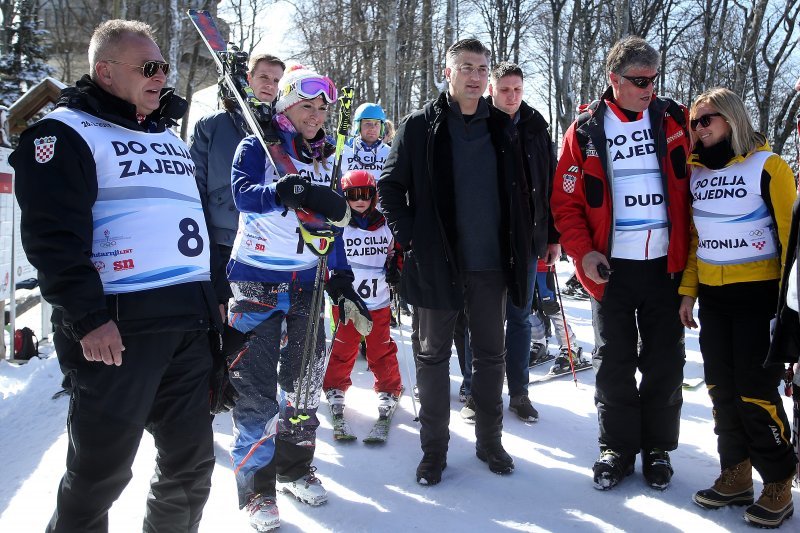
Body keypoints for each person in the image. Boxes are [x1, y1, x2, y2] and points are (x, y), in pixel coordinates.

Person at [10, 20, 227, 532]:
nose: (160, 77)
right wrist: (87, 318)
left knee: (191, 468)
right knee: (99, 477)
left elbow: (191, 221)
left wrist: (214, 297)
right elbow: (52, 239)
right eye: (147, 68)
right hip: (118, 334)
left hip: (188, 328)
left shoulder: (167, 136)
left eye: (163, 67)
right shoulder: (64, 132)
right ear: (105, 72)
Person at [226, 64, 372, 531]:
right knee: (255, 393)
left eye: (322, 107)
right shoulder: (257, 145)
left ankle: (294, 469)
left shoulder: (329, 158)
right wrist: (288, 190)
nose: (317, 114)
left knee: (306, 384)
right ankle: (256, 490)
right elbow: (243, 196)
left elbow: (332, 228)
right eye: (307, 106)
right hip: (257, 284)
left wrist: (342, 279)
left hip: (308, 284)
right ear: (286, 106)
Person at [379, 38, 531, 485]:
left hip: (490, 266)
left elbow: (524, 192)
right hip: (435, 264)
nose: (475, 75)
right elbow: (389, 187)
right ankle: (434, 452)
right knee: (431, 358)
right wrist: (412, 240)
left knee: (490, 356)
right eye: (466, 66)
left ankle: (490, 442)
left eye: (482, 68)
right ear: (448, 73)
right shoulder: (420, 126)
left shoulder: (504, 128)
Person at [551, 36, 691, 491]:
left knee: (664, 361)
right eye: (639, 80)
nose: (649, 87)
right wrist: (583, 252)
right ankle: (616, 447)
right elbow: (566, 204)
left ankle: (657, 448)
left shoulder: (673, 118)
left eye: (654, 79)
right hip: (611, 269)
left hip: (664, 266)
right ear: (614, 80)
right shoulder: (586, 130)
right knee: (614, 362)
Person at [679, 88, 797, 528]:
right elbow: (696, 240)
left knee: (754, 390)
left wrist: (790, 309)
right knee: (720, 389)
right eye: (694, 122)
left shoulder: (769, 166)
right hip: (714, 298)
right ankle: (735, 474)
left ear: (732, 118)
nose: (699, 128)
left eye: (708, 119)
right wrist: (688, 292)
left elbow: (793, 241)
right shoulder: (696, 174)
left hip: (760, 298)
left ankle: (779, 478)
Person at [460, 61, 559, 424]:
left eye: (517, 89)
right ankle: (475, 390)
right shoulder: (476, 123)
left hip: (527, 240)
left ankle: (519, 392)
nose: (512, 96)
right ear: (492, 91)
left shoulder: (536, 127)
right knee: (480, 318)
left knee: (519, 317)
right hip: (484, 240)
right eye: (505, 90)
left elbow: (549, 184)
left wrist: (552, 237)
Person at [190, 53, 285, 265]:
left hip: (268, 242)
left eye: (276, 80)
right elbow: (195, 185)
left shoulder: (284, 131)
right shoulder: (211, 125)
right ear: (248, 78)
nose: (270, 85)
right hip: (222, 241)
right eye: (264, 77)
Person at [323, 169, 403, 421]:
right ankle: (335, 386)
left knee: (380, 348)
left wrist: (396, 267)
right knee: (344, 346)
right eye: (353, 195)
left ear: (374, 196)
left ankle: (389, 388)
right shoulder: (338, 226)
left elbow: (398, 253)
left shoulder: (385, 224)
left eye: (366, 194)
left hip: (378, 300)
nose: (360, 200)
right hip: (349, 301)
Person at [343, 102, 392, 185]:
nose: (372, 128)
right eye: (367, 123)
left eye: (376, 124)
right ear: (358, 126)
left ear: (382, 127)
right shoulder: (344, 152)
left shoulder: (390, 154)